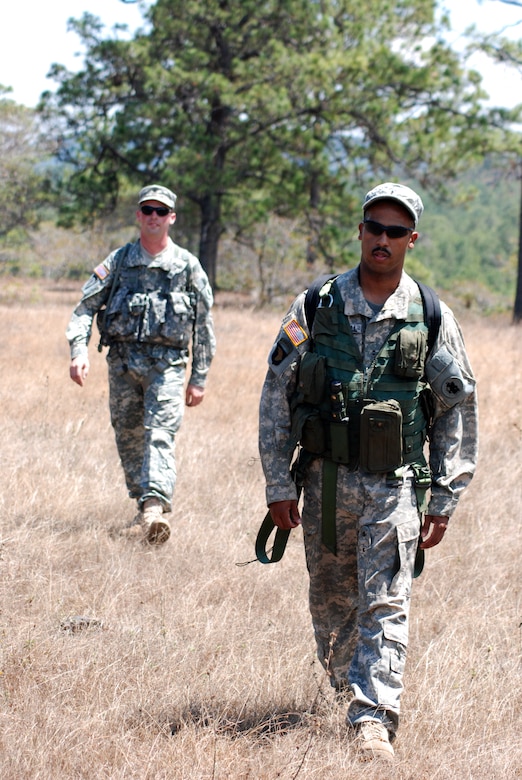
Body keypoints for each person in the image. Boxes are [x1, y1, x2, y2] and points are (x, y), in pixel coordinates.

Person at [258, 182, 478, 761]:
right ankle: (342, 694)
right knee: (331, 602)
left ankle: (373, 718)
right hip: (325, 484)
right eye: (374, 227)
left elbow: (457, 410)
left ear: (412, 239)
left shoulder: (430, 316)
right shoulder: (315, 307)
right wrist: (279, 485)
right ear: (360, 231)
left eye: (395, 231)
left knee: (385, 600)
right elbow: (275, 394)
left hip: (396, 485)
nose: (383, 239)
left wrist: (444, 496)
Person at [67, 184, 216, 545]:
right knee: (128, 435)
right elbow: (85, 308)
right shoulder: (118, 262)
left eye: (161, 212)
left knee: (159, 433)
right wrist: (78, 351)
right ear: (138, 215)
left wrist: (198, 377)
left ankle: (154, 506)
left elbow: (204, 324)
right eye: (147, 210)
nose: (153, 217)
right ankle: (142, 502)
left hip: (167, 366)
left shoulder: (186, 266)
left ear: (172, 219)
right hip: (121, 366)